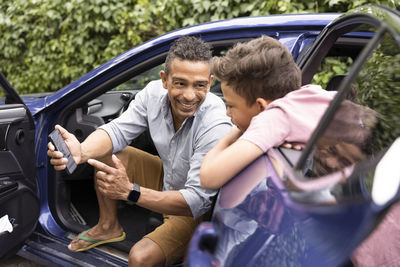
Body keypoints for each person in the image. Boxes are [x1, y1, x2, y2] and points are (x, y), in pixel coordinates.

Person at [47, 36, 231, 266]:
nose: (190, 95)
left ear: (210, 81)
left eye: (200, 85)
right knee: (111, 156)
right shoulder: (152, 94)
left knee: (140, 257)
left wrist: (130, 192)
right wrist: (81, 152)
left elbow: (195, 201)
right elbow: (117, 131)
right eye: (180, 83)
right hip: (169, 178)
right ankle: (108, 226)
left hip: (193, 211)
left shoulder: (216, 122)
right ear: (165, 80)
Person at [200, 35, 337, 190]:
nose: (227, 113)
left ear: (261, 106)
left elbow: (208, 178)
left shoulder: (274, 117)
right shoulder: (312, 95)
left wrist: (230, 137)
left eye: (231, 106)